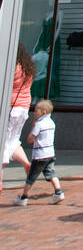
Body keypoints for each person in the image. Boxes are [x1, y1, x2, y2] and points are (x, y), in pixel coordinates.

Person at [13, 99, 63, 205]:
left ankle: (23, 197)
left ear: (43, 112)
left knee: (31, 177)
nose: (34, 113)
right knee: (51, 173)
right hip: (50, 153)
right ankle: (58, 192)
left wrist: (33, 127)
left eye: (36, 111)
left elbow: (30, 139)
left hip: (40, 155)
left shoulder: (39, 124)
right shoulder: (51, 123)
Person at [1, 44, 34, 192]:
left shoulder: (14, 67)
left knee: (3, 144)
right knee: (13, 140)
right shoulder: (28, 68)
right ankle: (27, 164)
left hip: (11, 107)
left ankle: (0, 180)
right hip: (24, 108)